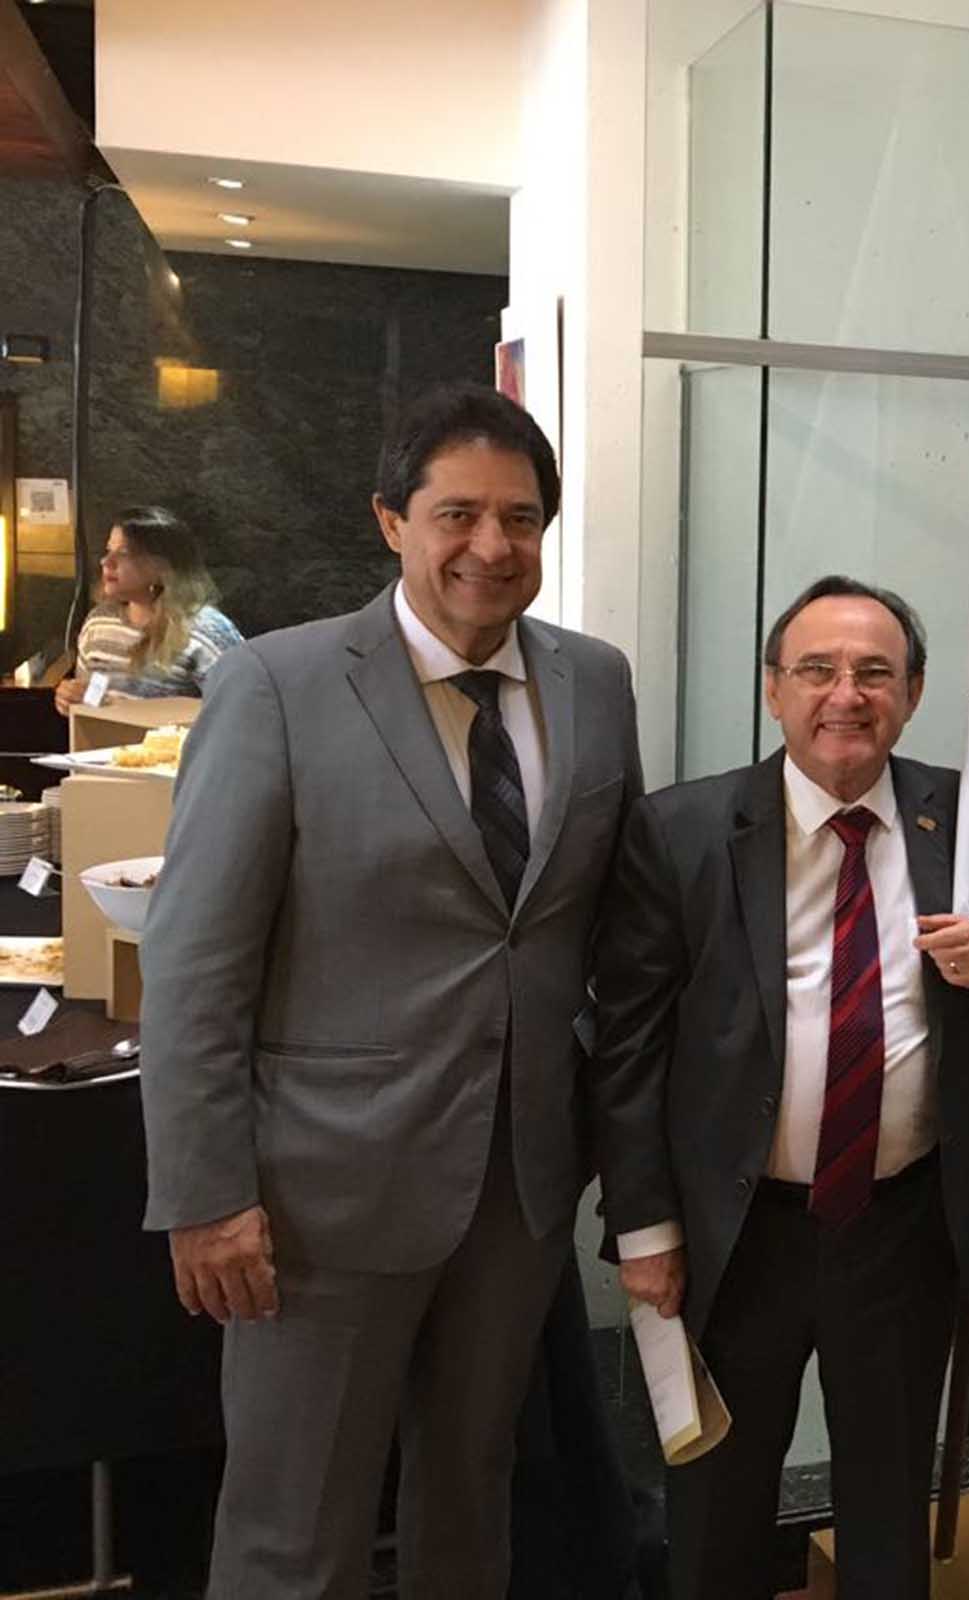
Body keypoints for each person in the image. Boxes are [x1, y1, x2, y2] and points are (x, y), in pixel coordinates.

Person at [138, 382, 645, 1599]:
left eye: (519, 519)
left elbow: (608, 927)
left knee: (473, 1495)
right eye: (456, 513)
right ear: (390, 522)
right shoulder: (277, 685)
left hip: (519, 1187)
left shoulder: (594, 682)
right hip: (319, 1199)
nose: (490, 547)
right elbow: (196, 959)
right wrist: (207, 1194)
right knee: (292, 1527)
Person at [589, 575, 969, 1600]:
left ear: (912, 693)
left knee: (887, 1516)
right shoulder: (682, 831)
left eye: (875, 672)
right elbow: (626, 1044)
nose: (846, 695)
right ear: (774, 689)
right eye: (817, 669)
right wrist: (643, 1229)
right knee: (718, 1515)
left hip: (903, 1228)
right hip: (735, 1238)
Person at [54, 505, 243, 711]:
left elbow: (238, 708)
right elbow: (91, 701)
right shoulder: (99, 622)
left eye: (124, 553)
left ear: (162, 567)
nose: (106, 562)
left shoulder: (206, 632)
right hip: (104, 743)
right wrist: (71, 699)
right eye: (108, 551)